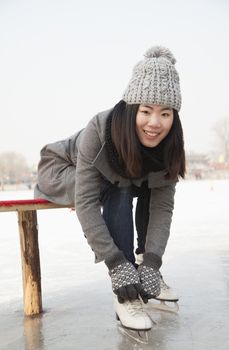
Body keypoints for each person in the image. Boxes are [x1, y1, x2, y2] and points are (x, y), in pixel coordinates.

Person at [34, 45, 185, 331]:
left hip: (114, 179)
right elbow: (87, 201)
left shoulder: (170, 144)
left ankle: (141, 265)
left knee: (144, 185)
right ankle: (125, 290)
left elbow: (163, 205)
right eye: (146, 111)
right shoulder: (100, 130)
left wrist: (152, 260)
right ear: (132, 109)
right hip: (58, 169)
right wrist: (117, 264)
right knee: (120, 185)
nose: (155, 123)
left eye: (166, 114)